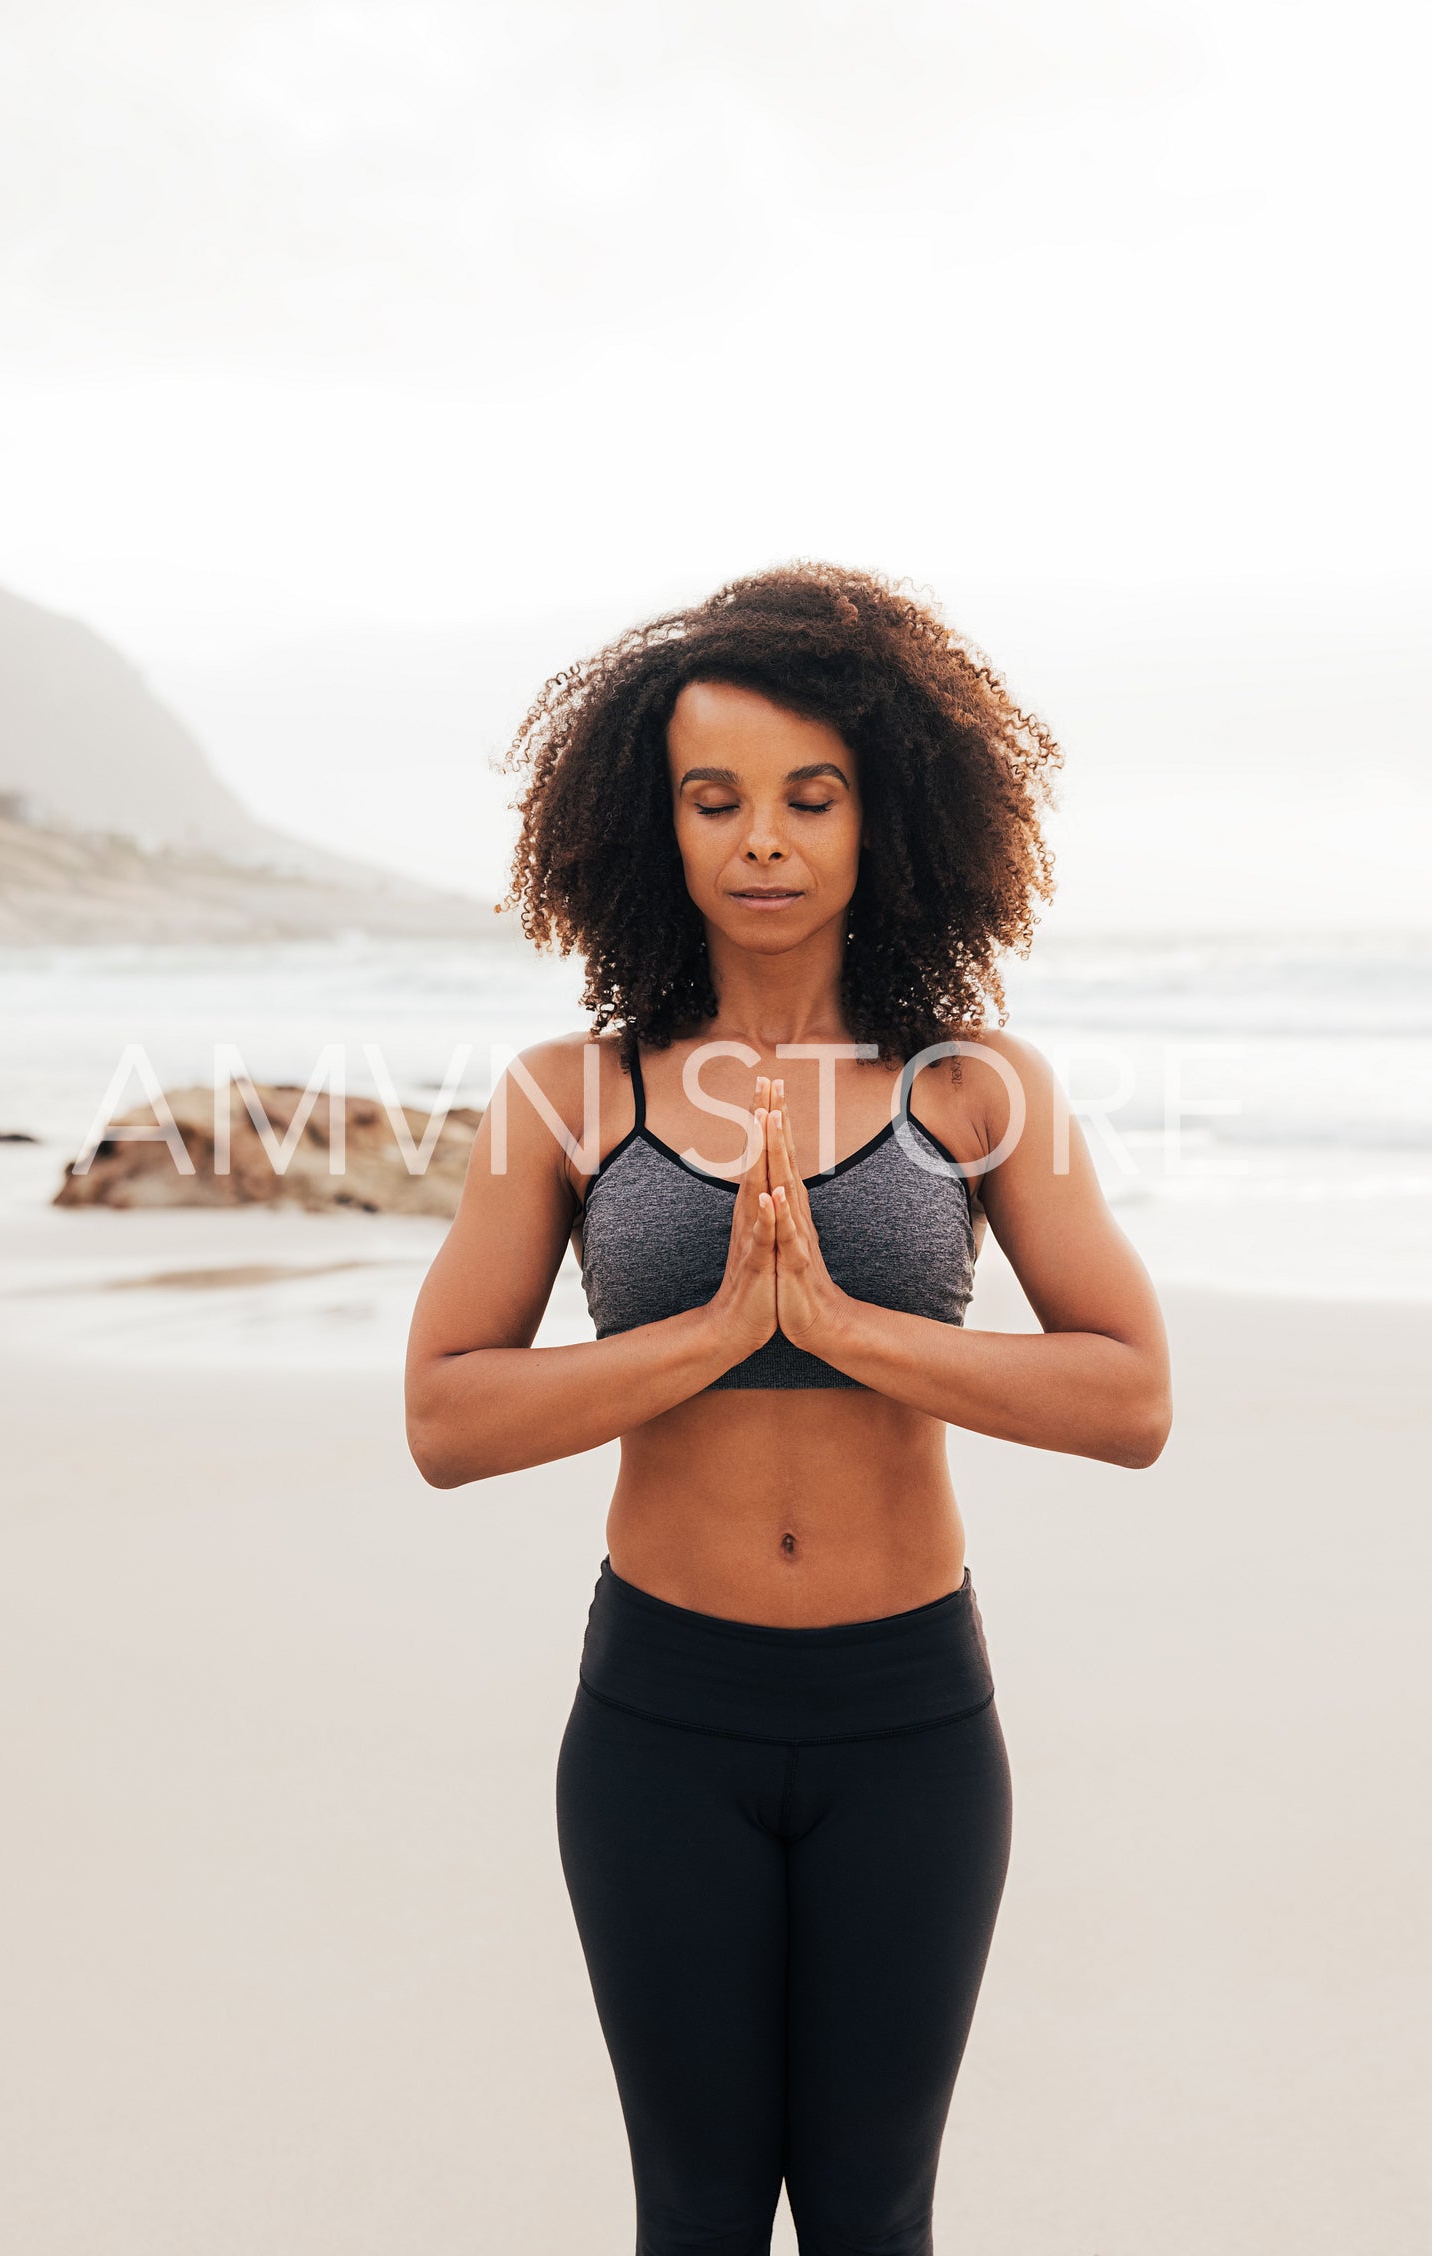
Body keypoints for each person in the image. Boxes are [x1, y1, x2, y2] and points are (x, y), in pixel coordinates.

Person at [405, 563, 1172, 2254]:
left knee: (871, 2216)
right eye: (716, 798)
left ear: (876, 821)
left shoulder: (974, 1090)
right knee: (690, 2213)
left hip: (908, 1716)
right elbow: (447, 1419)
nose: (763, 838)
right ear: (652, 828)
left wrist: (839, 1327)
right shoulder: (571, 1094)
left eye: (809, 798)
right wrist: (707, 1335)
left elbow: (1128, 1395)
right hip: (661, 1714)